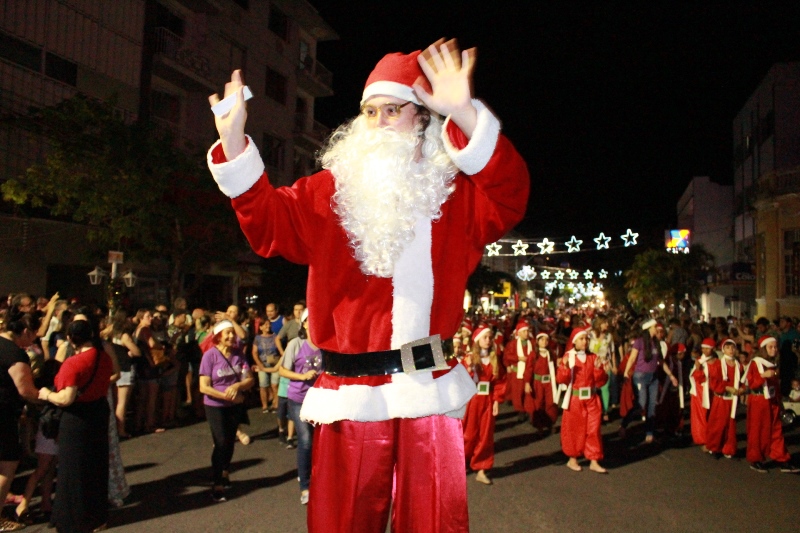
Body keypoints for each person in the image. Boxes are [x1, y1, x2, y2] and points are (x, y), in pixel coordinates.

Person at [207, 37, 528, 532]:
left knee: (435, 524)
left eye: (392, 110)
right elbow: (268, 224)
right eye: (369, 111)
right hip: (351, 397)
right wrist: (233, 147)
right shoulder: (326, 192)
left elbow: (510, 194)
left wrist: (465, 114)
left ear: (423, 118)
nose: (377, 123)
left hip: (429, 392)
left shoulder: (455, 193)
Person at [38, 319, 114, 532]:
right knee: (96, 466)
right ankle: (96, 516)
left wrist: (46, 394)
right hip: (98, 412)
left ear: (71, 339)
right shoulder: (104, 357)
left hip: (77, 418)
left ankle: (72, 520)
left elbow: (66, 398)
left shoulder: (73, 363)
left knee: (73, 471)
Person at [198, 320, 254, 502]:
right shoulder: (210, 356)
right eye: (227, 333)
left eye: (233, 333)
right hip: (215, 405)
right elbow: (204, 387)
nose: (231, 336)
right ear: (218, 336)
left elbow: (249, 379)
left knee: (229, 441)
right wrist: (225, 396)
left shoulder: (239, 355)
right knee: (220, 441)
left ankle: (224, 470)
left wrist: (238, 386)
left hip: (234, 405)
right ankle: (217, 483)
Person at [0, 311, 41, 531]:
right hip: (4, 414)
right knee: (7, 465)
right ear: (25, 331)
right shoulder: (15, 354)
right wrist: (46, 396)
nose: (34, 339)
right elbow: (26, 390)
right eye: (33, 334)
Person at [278, 310, 322, 504]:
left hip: (320, 398)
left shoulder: (325, 346)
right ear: (304, 324)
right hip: (299, 398)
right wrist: (302, 376)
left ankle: (320, 480)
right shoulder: (295, 344)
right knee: (305, 440)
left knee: (321, 442)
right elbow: (282, 370)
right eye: (311, 320)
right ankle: (305, 486)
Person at [556, 328, 609, 473]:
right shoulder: (569, 357)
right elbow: (561, 379)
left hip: (591, 399)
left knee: (594, 429)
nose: (585, 342)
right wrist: (565, 367)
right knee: (575, 430)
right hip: (575, 399)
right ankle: (572, 459)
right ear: (574, 341)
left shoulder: (593, 357)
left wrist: (598, 369)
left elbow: (600, 382)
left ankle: (594, 460)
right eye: (581, 339)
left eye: (586, 339)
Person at [744, 336, 799, 473]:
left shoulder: (772, 363)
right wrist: (763, 376)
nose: (774, 349)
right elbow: (751, 383)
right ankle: (755, 459)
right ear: (764, 348)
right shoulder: (756, 363)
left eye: (775, 347)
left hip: (772, 400)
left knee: (776, 430)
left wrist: (779, 402)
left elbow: (775, 385)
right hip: (759, 401)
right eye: (771, 347)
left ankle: (782, 458)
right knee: (758, 431)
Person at [620, 319, 679, 444]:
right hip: (640, 376)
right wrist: (626, 371)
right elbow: (632, 358)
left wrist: (671, 376)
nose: (656, 329)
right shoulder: (639, 342)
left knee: (652, 406)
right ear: (648, 329)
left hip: (653, 378)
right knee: (641, 404)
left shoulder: (656, 343)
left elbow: (661, 362)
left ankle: (649, 432)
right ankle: (624, 424)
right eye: (654, 327)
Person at [462, 325, 505, 485]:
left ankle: (481, 468)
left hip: (487, 400)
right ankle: (460, 463)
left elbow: (499, 382)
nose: (488, 340)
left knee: (485, 435)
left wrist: (496, 400)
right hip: (472, 400)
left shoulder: (494, 359)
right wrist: (468, 368)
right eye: (485, 337)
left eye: (490, 338)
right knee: (468, 434)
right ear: (477, 340)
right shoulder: (469, 358)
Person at [102, 310, 141, 438]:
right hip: (125, 368)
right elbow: (137, 352)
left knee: (114, 402)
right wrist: (130, 353)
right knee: (122, 403)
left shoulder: (109, 336)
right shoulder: (124, 336)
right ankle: (121, 430)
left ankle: (112, 429)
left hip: (114, 369)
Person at [704, 338, 744, 458]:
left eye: (733, 347)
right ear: (723, 350)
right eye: (727, 347)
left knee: (730, 426)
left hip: (733, 400)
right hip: (721, 399)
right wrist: (727, 388)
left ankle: (728, 448)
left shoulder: (738, 365)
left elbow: (743, 381)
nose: (731, 350)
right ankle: (714, 447)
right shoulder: (718, 364)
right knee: (718, 425)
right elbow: (714, 384)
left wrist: (742, 389)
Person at [523, 331, 559, 434]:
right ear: (537, 341)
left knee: (550, 403)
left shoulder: (551, 354)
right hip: (538, 383)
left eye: (546, 340)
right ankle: (539, 426)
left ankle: (550, 423)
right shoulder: (533, 354)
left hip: (549, 383)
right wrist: (527, 382)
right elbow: (529, 369)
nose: (544, 342)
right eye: (542, 339)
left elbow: (555, 368)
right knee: (538, 403)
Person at [503, 321, 533, 422]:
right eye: (524, 331)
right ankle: (520, 410)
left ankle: (528, 409)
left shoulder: (531, 343)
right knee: (518, 393)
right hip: (517, 372)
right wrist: (518, 358)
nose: (526, 333)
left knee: (527, 392)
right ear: (519, 333)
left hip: (528, 371)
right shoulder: (513, 344)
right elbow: (507, 356)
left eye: (527, 331)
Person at [252, 319, 280, 412]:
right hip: (262, 364)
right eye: (265, 324)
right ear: (260, 327)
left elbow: (279, 348)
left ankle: (275, 403)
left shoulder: (275, 336)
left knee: (275, 384)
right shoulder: (258, 338)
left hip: (274, 364)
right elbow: (254, 352)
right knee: (263, 385)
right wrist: (259, 365)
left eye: (268, 324)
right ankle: (264, 405)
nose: (268, 326)